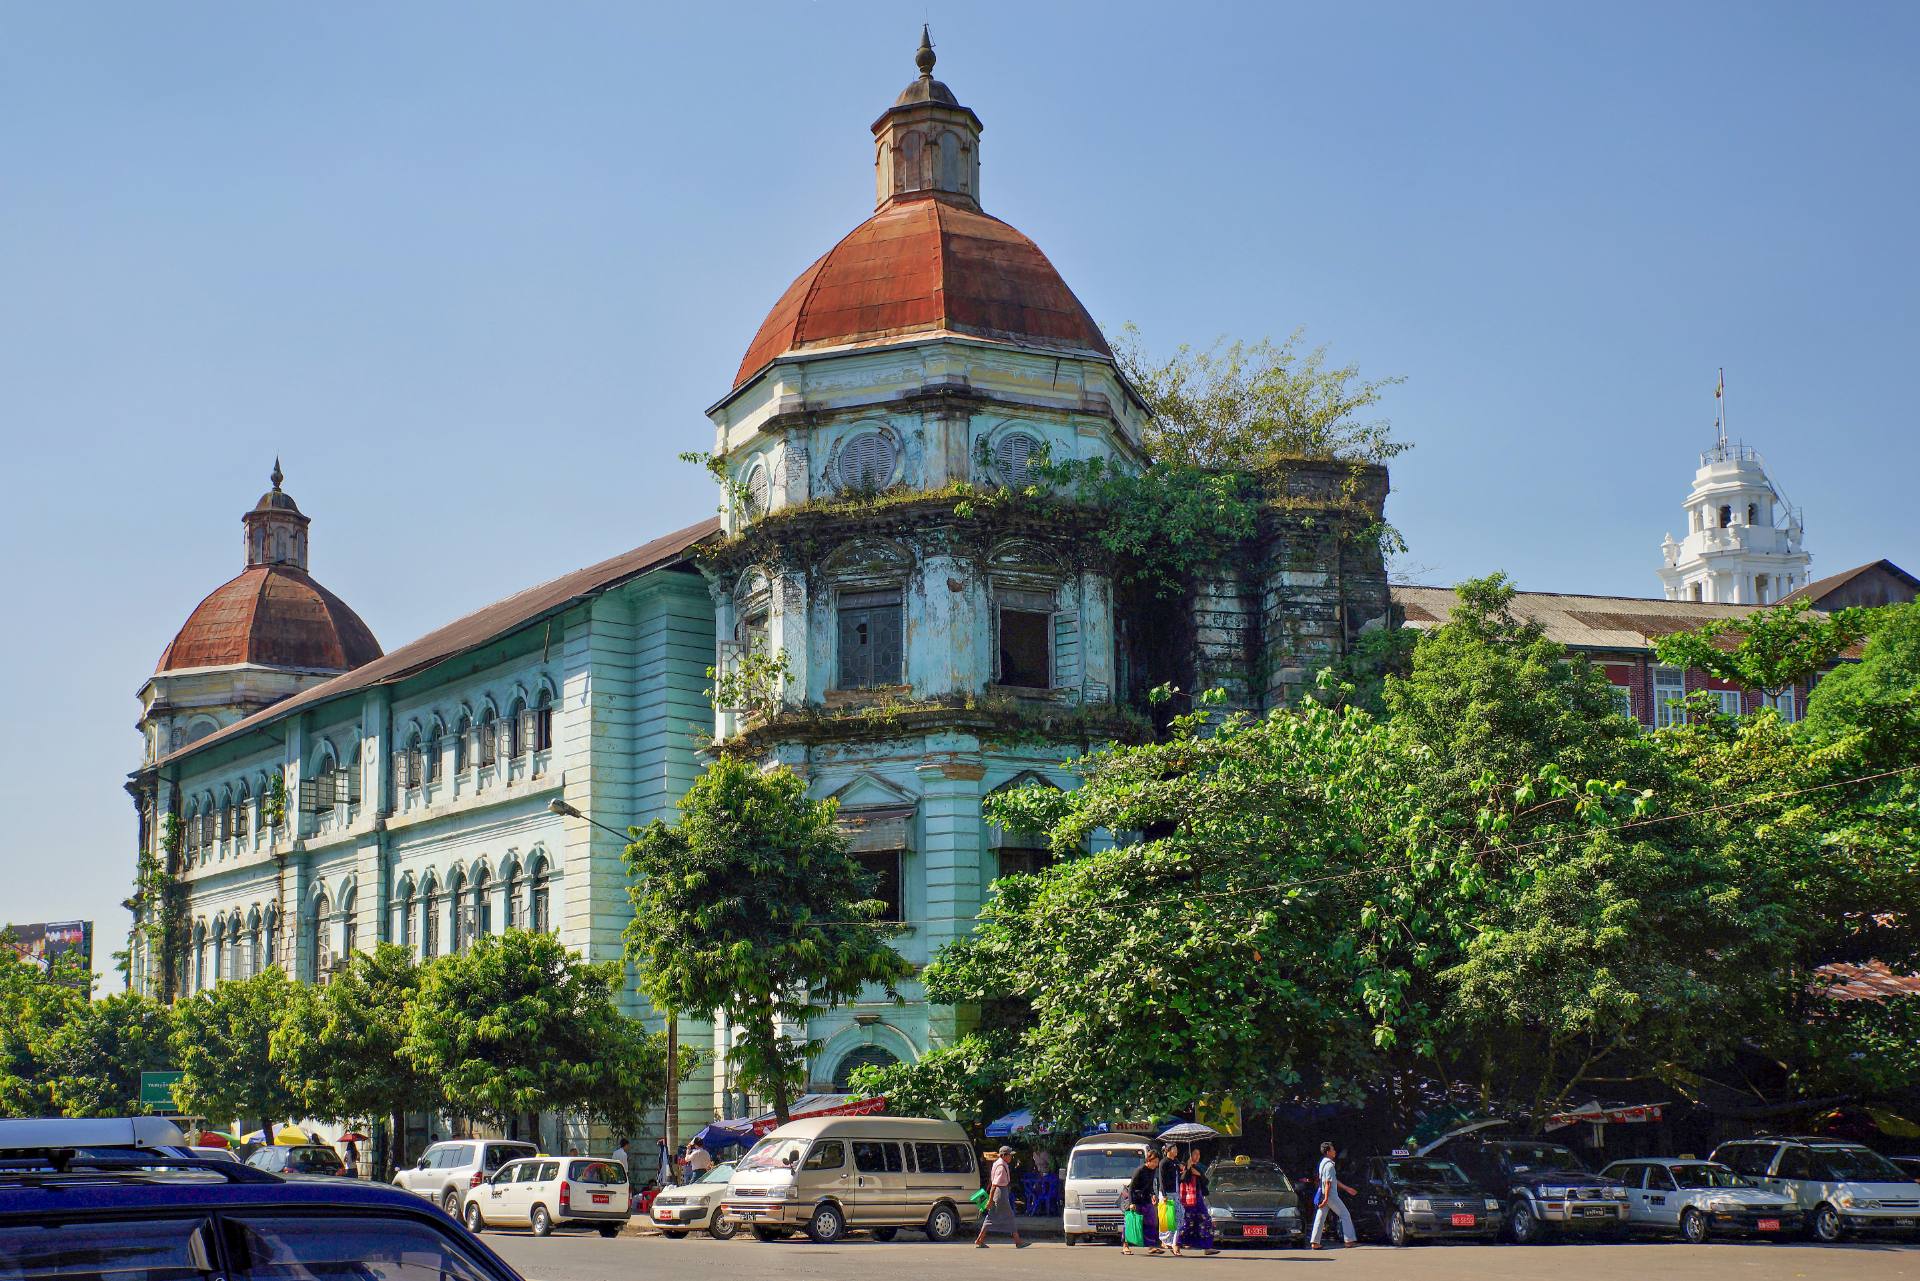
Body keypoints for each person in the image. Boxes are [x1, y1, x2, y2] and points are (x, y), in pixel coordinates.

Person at [974, 1145, 1027, 1248]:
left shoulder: (997, 1163)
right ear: (1004, 1155)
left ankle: (979, 1239)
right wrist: (990, 1200)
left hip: (999, 1193)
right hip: (1000, 1194)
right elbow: (994, 1185)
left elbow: (992, 1181)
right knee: (1010, 1216)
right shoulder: (1002, 1167)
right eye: (1009, 1155)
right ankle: (1018, 1242)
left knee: (990, 1217)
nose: (1011, 1157)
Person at [1309, 1140, 1358, 1249]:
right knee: (1345, 1215)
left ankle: (1315, 1242)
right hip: (1330, 1195)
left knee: (1320, 1217)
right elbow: (1328, 1183)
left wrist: (1346, 1188)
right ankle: (1349, 1240)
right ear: (1328, 1152)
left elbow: (1332, 1180)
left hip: (1324, 1194)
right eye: (1333, 1150)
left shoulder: (1322, 1163)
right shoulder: (1330, 1166)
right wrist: (1326, 1198)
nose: (1335, 1151)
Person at [1122, 1150, 1163, 1256]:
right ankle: (1125, 1246)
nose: (1155, 1164)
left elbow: (1149, 1186)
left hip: (1145, 1199)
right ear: (1148, 1160)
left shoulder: (1152, 1170)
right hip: (1135, 1199)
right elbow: (1131, 1188)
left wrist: (1153, 1194)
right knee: (1132, 1223)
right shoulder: (1140, 1170)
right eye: (1154, 1162)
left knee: (1151, 1221)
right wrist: (1131, 1203)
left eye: (1157, 1162)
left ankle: (1151, 1246)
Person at [1180, 1149, 1219, 1255]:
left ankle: (1207, 1247)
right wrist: (1188, 1168)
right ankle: (1178, 1244)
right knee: (1187, 1222)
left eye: (1199, 1154)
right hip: (1187, 1199)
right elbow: (1182, 1179)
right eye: (1195, 1154)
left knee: (1205, 1220)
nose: (1197, 1156)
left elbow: (1206, 1181)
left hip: (1198, 1197)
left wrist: (1198, 1174)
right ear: (1189, 1155)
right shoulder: (1183, 1167)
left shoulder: (1198, 1167)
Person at [1158, 1143, 1184, 1255]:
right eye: (1174, 1148)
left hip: (1176, 1193)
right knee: (1168, 1219)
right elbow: (1161, 1179)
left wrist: (1183, 1170)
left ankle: (1174, 1242)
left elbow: (1180, 1178)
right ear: (1168, 1150)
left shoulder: (1176, 1162)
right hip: (1167, 1193)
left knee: (1179, 1217)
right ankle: (1166, 1241)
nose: (1176, 1150)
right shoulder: (1164, 1162)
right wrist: (1164, 1194)